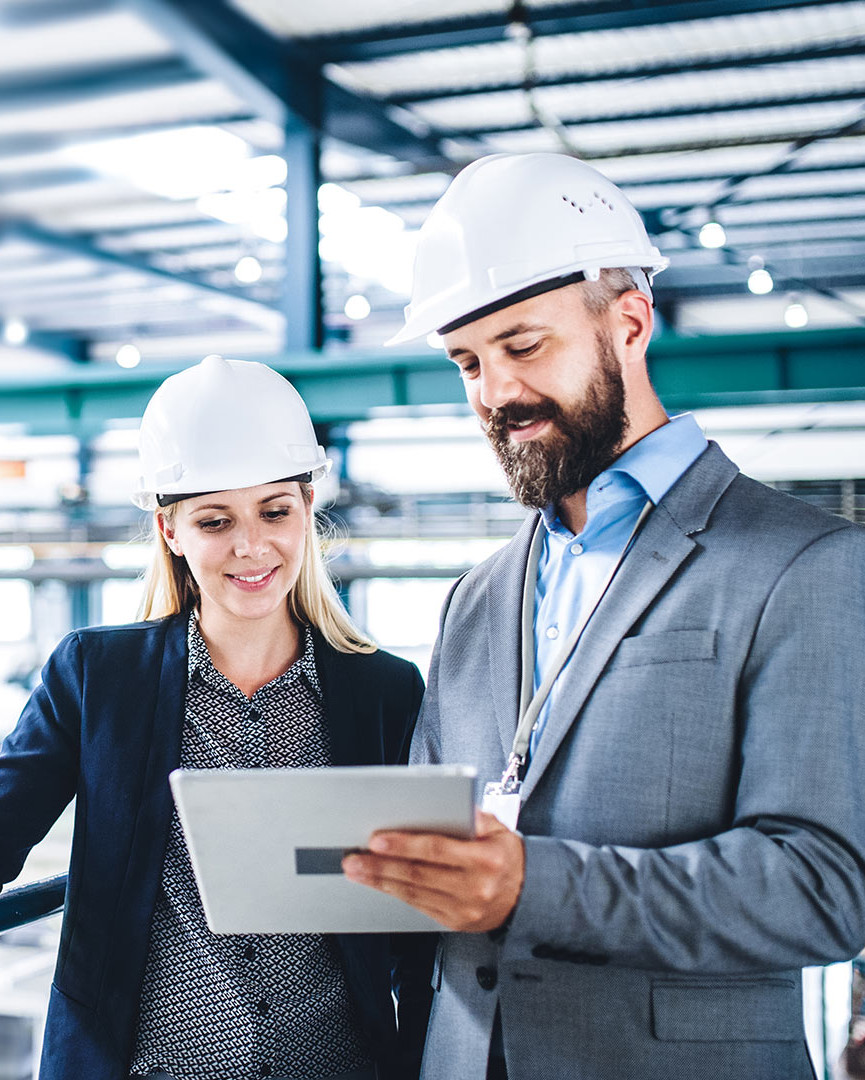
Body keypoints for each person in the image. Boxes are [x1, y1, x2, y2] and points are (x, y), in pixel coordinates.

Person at [341, 152, 865, 1079]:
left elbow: (820, 887)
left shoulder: (803, 566)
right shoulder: (476, 598)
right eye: (468, 361)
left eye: (523, 345)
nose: (493, 394)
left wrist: (534, 885)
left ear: (628, 321)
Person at [0, 356, 432, 1080]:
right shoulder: (99, 678)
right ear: (170, 530)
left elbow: (417, 907)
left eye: (274, 511)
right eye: (214, 520)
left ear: (306, 509)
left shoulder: (384, 691)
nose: (250, 546)